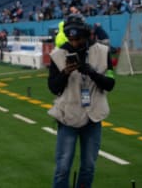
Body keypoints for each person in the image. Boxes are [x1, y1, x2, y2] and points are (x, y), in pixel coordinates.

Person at [48, 13, 115, 188]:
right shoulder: (57, 55)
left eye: (77, 39)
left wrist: (91, 72)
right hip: (68, 117)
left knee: (89, 166)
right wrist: (65, 73)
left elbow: (110, 83)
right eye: (71, 39)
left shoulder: (102, 51)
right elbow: (53, 88)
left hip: (93, 117)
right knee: (62, 166)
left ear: (85, 34)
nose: (74, 43)